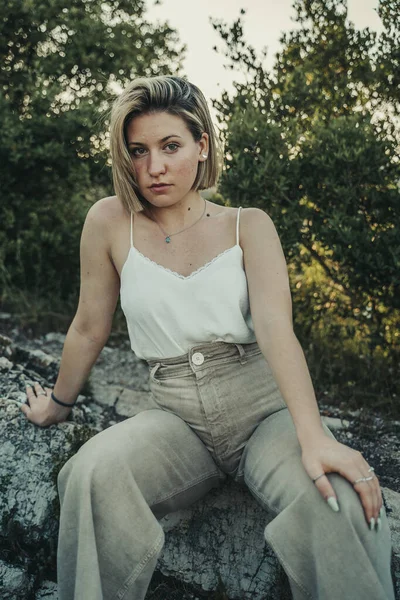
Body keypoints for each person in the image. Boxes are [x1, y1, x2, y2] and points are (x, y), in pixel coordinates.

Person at [20, 76, 395, 600]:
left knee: (338, 497)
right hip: (176, 421)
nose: (154, 167)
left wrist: (315, 439)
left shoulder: (249, 225)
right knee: (90, 474)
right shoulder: (109, 222)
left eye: (170, 146)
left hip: (264, 414)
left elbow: (275, 330)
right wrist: (58, 404)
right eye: (138, 151)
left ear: (202, 146)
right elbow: (89, 325)